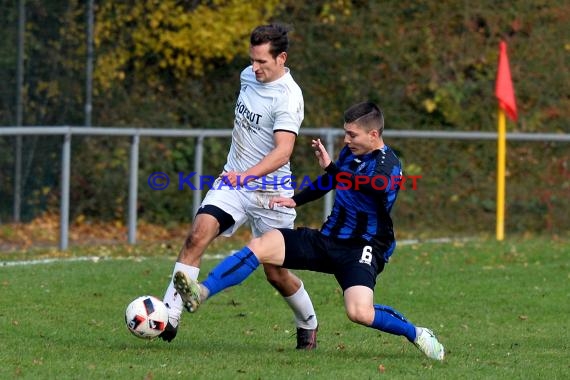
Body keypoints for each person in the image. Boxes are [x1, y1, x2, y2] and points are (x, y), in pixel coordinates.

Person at [173, 101, 445, 360]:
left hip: (362, 249)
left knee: (359, 312)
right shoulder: (350, 154)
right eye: (345, 133)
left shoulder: (389, 164)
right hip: (327, 240)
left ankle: (417, 333)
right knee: (261, 246)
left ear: (373, 134)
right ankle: (202, 291)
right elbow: (331, 181)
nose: (346, 140)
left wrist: (332, 168)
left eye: (352, 134)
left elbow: (370, 185)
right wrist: (297, 199)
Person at [159, 24, 319, 348]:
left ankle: (308, 321)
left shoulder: (289, 97)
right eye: (252, 60)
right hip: (233, 180)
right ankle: (168, 315)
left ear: (282, 58)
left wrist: (247, 176)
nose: (255, 68)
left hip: (271, 191)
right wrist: (239, 176)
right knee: (197, 234)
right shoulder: (248, 76)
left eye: (262, 62)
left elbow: (283, 151)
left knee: (275, 273)